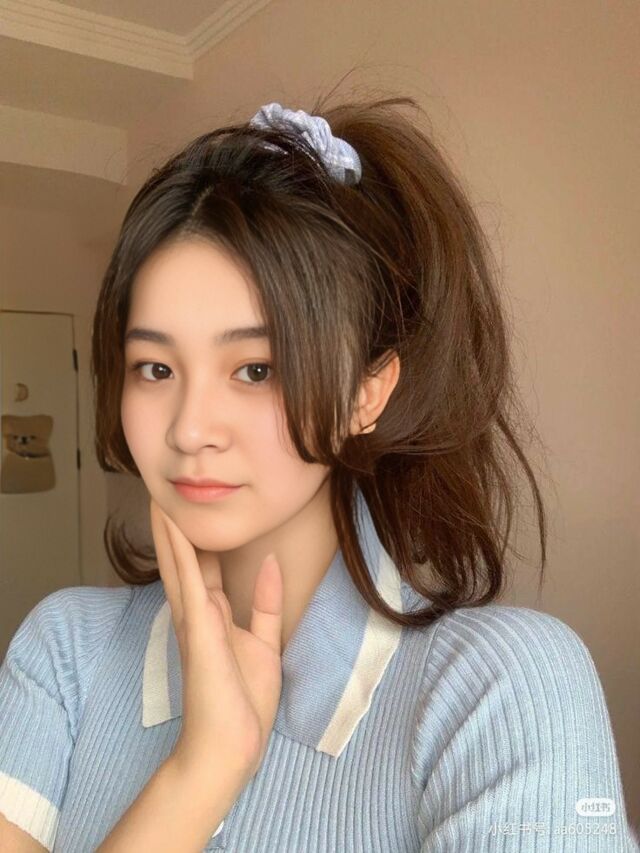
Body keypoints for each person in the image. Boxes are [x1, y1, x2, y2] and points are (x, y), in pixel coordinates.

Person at [0, 93, 637, 852]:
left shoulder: (500, 689)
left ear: (368, 392)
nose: (189, 429)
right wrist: (201, 774)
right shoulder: (65, 651)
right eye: (155, 368)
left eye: (257, 368)